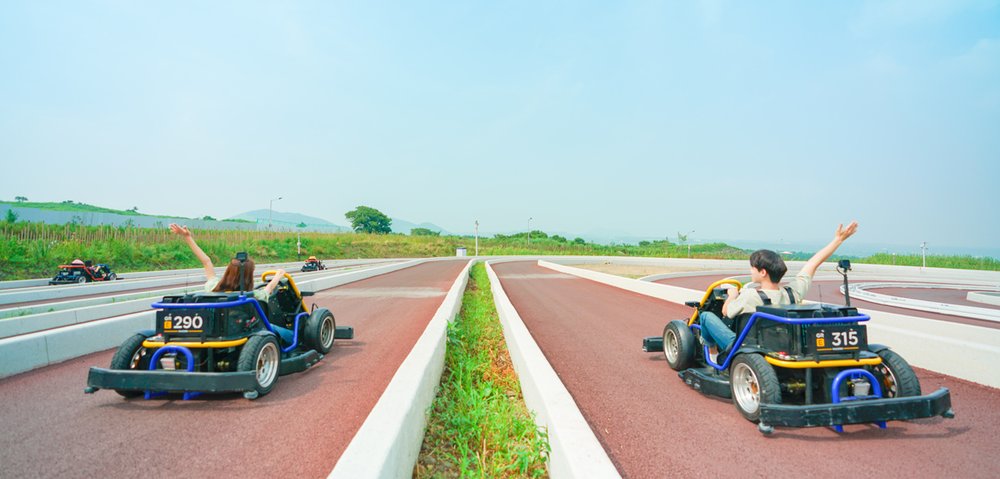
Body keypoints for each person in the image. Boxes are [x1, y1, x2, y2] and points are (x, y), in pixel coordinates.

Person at [700, 221, 859, 363]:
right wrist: (838, 240)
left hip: (747, 345)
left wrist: (733, 295)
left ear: (762, 272)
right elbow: (812, 264)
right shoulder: (793, 293)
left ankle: (713, 356)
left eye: (752, 268)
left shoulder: (750, 295)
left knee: (706, 316)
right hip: (784, 345)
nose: (750, 270)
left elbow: (726, 311)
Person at [169, 223, 294, 344]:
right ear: (248, 276)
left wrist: (187, 237)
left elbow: (206, 262)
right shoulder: (252, 296)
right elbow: (269, 288)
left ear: (229, 271)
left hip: (213, 332)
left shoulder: (213, 287)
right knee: (289, 334)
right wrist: (278, 275)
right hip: (242, 333)